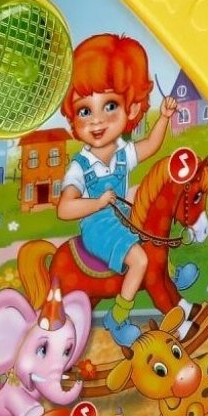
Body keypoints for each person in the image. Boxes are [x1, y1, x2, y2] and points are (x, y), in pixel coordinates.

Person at [58, 33, 177, 345]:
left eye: (109, 105)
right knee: (140, 259)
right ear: (72, 116)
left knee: (152, 229)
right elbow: (65, 208)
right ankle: (118, 318)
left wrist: (164, 118)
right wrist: (97, 203)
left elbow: (151, 145)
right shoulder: (80, 166)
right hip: (99, 227)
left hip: (122, 219)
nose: (97, 121)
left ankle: (171, 276)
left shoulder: (123, 154)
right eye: (85, 110)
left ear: (132, 109)